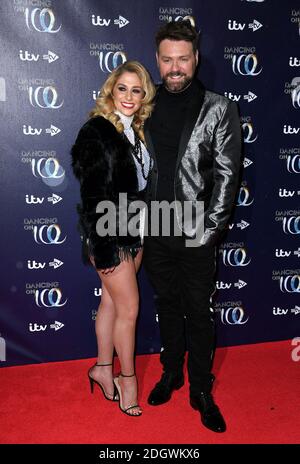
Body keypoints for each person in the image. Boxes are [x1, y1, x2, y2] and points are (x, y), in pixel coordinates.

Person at [143, 21, 242, 432]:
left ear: (196, 59)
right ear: (158, 61)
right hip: (154, 228)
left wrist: (210, 230)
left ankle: (201, 388)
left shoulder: (218, 108)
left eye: (183, 59)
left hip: (196, 231)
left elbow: (227, 174)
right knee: (166, 306)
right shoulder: (143, 104)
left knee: (199, 314)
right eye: (167, 60)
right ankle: (172, 373)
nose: (175, 67)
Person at [71, 61, 156, 416]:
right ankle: (127, 379)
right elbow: (92, 196)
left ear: (144, 96)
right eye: (122, 88)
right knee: (130, 310)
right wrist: (102, 247)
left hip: (133, 231)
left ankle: (102, 369)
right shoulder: (97, 131)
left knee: (110, 302)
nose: (129, 97)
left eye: (136, 90)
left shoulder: (135, 131)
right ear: (111, 91)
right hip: (109, 234)